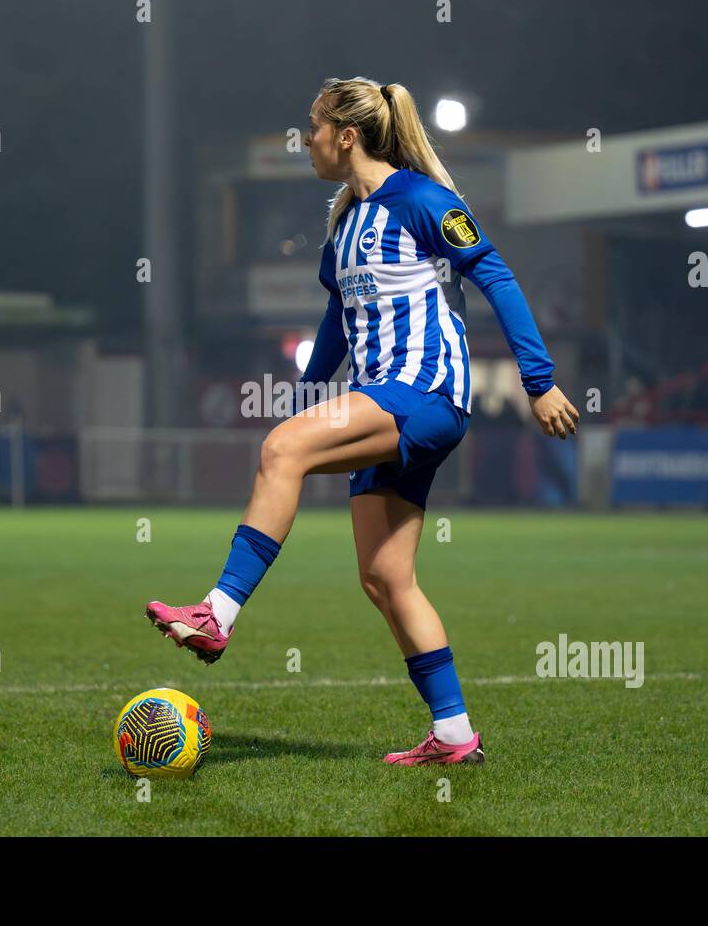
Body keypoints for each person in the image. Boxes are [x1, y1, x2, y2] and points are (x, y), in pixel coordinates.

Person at [145, 77, 578, 766]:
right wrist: (308, 394)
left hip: (424, 391)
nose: (306, 139)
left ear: (348, 135)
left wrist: (539, 380)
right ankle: (456, 736)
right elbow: (335, 325)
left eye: (313, 126)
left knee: (281, 453)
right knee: (385, 579)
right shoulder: (344, 225)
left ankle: (216, 615)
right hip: (385, 399)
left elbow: (494, 273)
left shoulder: (423, 200)